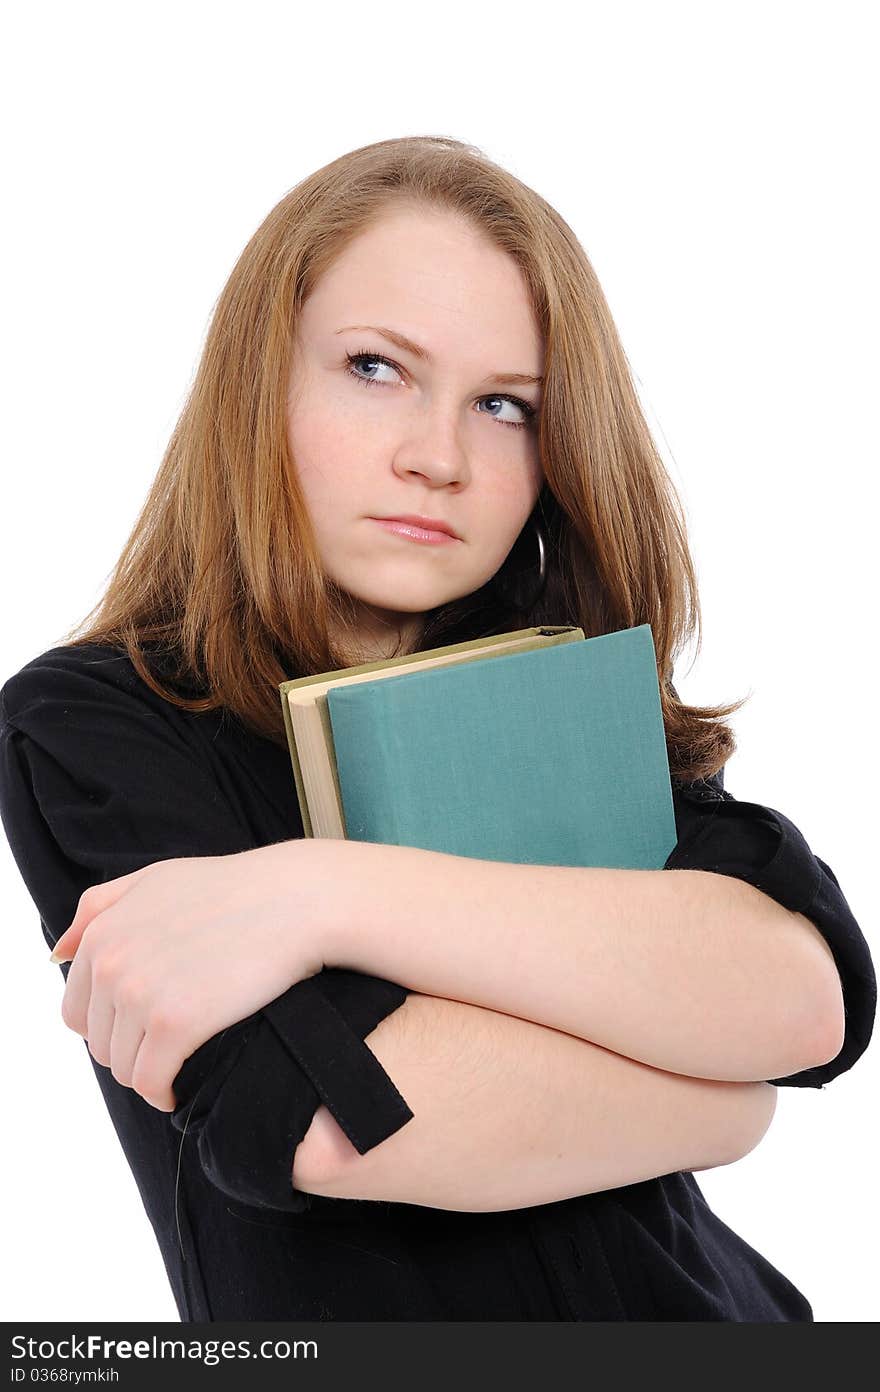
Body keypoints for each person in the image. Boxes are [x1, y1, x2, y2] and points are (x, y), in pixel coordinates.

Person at [0, 135, 874, 1323]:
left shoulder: (552, 679)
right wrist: (727, 1101)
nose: (437, 458)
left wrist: (320, 895)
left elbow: (805, 1000)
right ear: (261, 382)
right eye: (374, 367)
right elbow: (336, 1122)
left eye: (504, 405)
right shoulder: (96, 721)